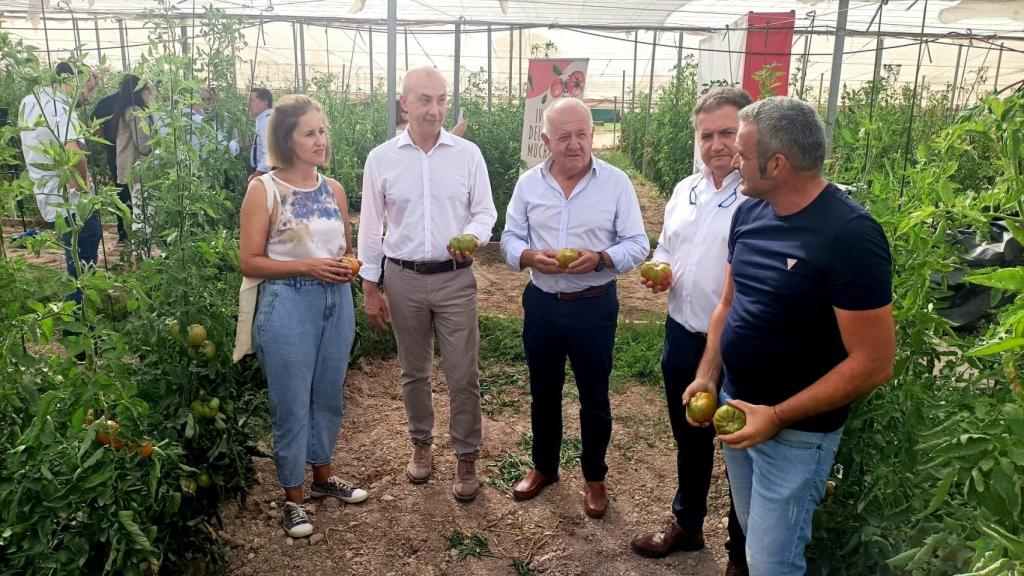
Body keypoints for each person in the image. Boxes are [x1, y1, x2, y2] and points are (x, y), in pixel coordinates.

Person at [682, 96, 894, 575]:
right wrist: (708, 377)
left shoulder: (849, 236)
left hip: (797, 433)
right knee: (758, 542)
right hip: (737, 411)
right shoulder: (750, 213)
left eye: (742, 150)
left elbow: (873, 362)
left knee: (774, 562)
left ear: (776, 163)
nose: (732, 159)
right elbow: (728, 305)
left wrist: (776, 416)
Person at [500, 97, 649, 519]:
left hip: (594, 305)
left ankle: (594, 477)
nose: (574, 144)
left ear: (592, 135)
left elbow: (638, 244)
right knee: (543, 391)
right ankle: (545, 467)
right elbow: (509, 237)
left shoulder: (616, 183)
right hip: (543, 302)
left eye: (581, 134)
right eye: (563, 136)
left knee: (594, 395)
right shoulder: (529, 184)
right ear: (546, 139)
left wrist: (600, 258)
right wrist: (529, 257)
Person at [358, 65, 496, 502]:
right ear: (404, 103)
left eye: (441, 100)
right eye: (424, 100)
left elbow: (485, 212)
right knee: (413, 372)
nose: (435, 110)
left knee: (462, 373)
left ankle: (466, 455)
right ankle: (421, 445)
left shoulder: (467, 154)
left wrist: (473, 238)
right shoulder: (382, 158)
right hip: (403, 278)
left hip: (455, 279)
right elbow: (370, 226)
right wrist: (370, 285)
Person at [630, 87, 751, 575]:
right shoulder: (686, 189)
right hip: (682, 333)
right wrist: (661, 267)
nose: (718, 144)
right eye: (707, 135)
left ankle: (741, 554)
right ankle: (688, 524)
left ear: (747, 132)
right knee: (689, 435)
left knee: (744, 449)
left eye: (728, 132)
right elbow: (666, 247)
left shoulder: (759, 196)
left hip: (740, 344)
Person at [239, 94, 368, 538]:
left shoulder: (332, 189)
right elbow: (250, 261)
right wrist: (308, 266)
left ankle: (322, 476)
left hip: (336, 302)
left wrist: (349, 264)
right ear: (287, 140)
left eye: (322, 131)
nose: (320, 140)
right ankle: (292, 498)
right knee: (291, 402)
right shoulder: (265, 190)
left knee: (328, 393)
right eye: (310, 133)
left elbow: (344, 248)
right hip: (287, 303)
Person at [19, 61, 101, 304]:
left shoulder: (30, 100)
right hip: (74, 201)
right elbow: (73, 152)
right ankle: (80, 323)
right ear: (77, 81)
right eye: (89, 89)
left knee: (73, 256)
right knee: (83, 266)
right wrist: (85, 189)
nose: (86, 98)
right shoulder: (60, 106)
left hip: (49, 194)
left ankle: (77, 316)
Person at [91, 75, 131, 243]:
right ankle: (129, 232)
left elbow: (92, 123)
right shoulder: (133, 103)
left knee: (120, 192)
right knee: (130, 192)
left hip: (113, 153)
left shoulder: (107, 101)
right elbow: (92, 123)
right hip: (126, 154)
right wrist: (103, 143)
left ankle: (124, 233)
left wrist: (102, 142)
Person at [114, 74, 153, 232]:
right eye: (147, 90)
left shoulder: (125, 110)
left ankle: (142, 251)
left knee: (140, 212)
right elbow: (144, 146)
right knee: (144, 214)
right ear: (140, 91)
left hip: (131, 170)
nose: (149, 94)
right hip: (138, 172)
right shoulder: (136, 112)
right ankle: (143, 252)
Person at [247, 87, 273, 182]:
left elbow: (270, 154)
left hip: (268, 174)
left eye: (252, 100)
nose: (249, 104)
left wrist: (257, 175)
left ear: (264, 103)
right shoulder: (262, 119)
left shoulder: (267, 121)